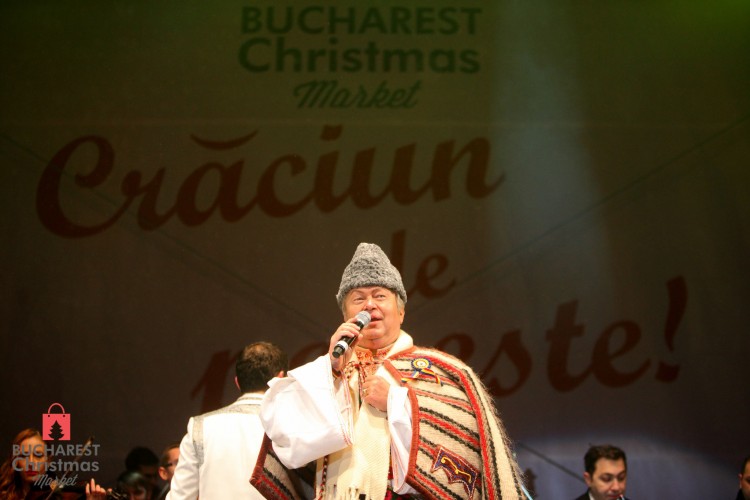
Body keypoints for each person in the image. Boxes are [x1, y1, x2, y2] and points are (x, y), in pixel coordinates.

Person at [253, 242, 526, 499]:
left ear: (401, 312)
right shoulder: (326, 373)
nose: (369, 305)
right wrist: (331, 370)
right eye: (358, 298)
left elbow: (467, 442)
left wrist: (397, 403)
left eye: (380, 295)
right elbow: (285, 439)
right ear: (345, 316)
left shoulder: (445, 371)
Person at [167, 341, 288, 499]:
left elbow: (179, 497)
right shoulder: (295, 425)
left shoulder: (200, 427)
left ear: (237, 382)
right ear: (280, 378)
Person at [0, 428, 107, 499]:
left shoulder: (57, 494)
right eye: (24, 456)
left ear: (48, 460)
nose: (31, 462)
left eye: (38, 455)